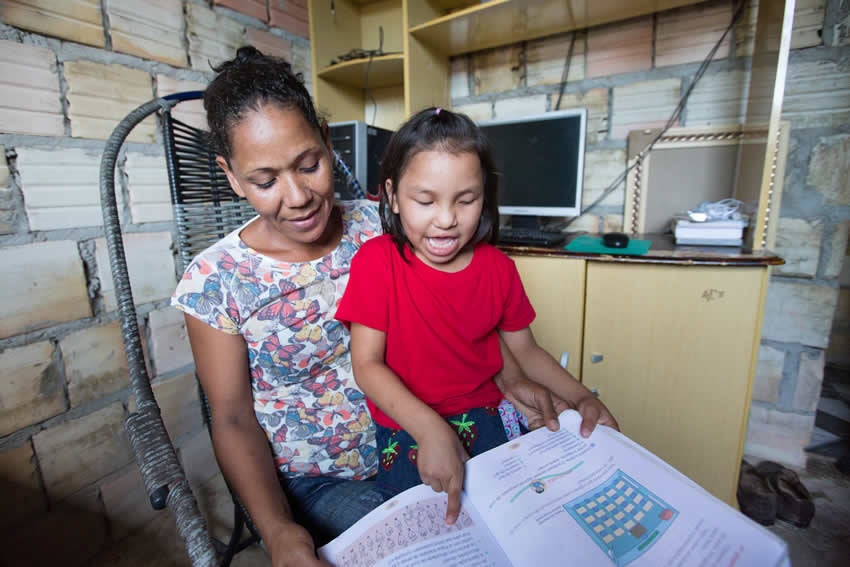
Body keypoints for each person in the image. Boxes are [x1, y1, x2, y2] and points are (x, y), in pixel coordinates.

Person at [173, 47, 576, 566]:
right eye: (265, 181)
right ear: (231, 176)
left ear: (324, 135)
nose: (296, 196)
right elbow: (229, 417)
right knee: (429, 549)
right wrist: (277, 531)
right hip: (322, 477)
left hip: (437, 427)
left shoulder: (386, 223)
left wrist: (508, 378)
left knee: (527, 524)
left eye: (309, 164)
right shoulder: (216, 280)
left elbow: (464, 316)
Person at [335, 107, 619, 525]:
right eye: (425, 200)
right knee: (434, 530)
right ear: (393, 196)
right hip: (411, 428)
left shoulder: (497, 268)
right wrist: (430, 430)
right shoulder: (377, 262)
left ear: (484, 196)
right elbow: (367, 365)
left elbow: (527, 350)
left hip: (491, 419)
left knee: (524, 521)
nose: (447, 219)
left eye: (465, 200)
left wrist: (583, 398)